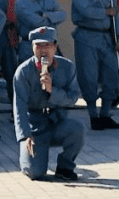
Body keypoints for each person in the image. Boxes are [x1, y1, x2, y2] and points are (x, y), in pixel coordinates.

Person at [13, 27, 84, 181]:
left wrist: (52, 91)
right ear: (32, 47)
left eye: (47, 45)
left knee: (77, 130)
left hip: (56, 120)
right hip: (34, 125)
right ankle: (32, 159)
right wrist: (25, 136)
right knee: (35, 173)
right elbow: (19, 107)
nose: (43, 50)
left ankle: (65, 167)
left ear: (55, 46)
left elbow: (72, 98)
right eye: (38, 45)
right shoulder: (23, 72)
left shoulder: (67, 67)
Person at [70, 0, 119, 130]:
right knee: (88, 77)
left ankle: (105, 114)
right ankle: (93, 115)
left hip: (106, 38)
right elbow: (85, 11)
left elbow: (115, 16)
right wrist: (105, 11)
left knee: (111, 76)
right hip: (86, 37)